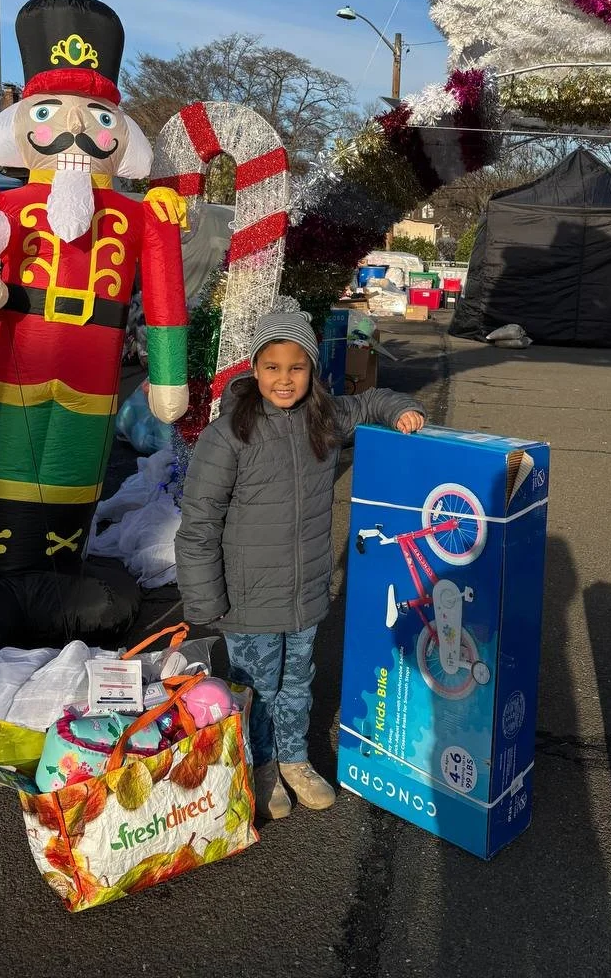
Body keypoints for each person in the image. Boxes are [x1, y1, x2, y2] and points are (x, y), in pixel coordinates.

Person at [174, 308, 424, 821]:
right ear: (254, 369)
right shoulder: (229, 437)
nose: (284, 379)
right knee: (257, 688)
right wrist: (206, 600)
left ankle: (294, 759)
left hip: (305, 592)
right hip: (247, 598)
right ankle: (261, 767)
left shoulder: (324, 419)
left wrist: (401, 411)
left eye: (296, 367)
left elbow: (373, 400)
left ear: (312, 370)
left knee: (297, 681)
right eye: (272, 367)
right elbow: (198, 525)